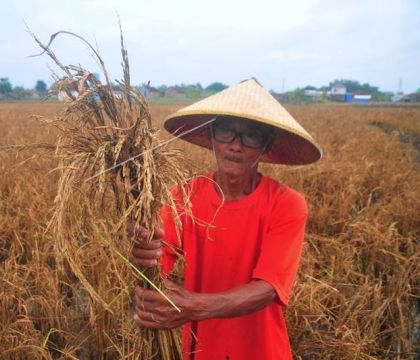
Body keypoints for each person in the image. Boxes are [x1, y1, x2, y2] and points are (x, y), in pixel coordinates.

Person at [131, 78, 322, 359]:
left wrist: (192, 306)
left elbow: (268, 289)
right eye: (226, 132)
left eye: (251, 136)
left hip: (262, 350)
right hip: (200, 351)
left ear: (265, 146)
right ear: (210, 136)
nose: (236, 145)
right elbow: (156, 262)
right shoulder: (184, 196)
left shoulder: (286, 204)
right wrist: (142, 252)